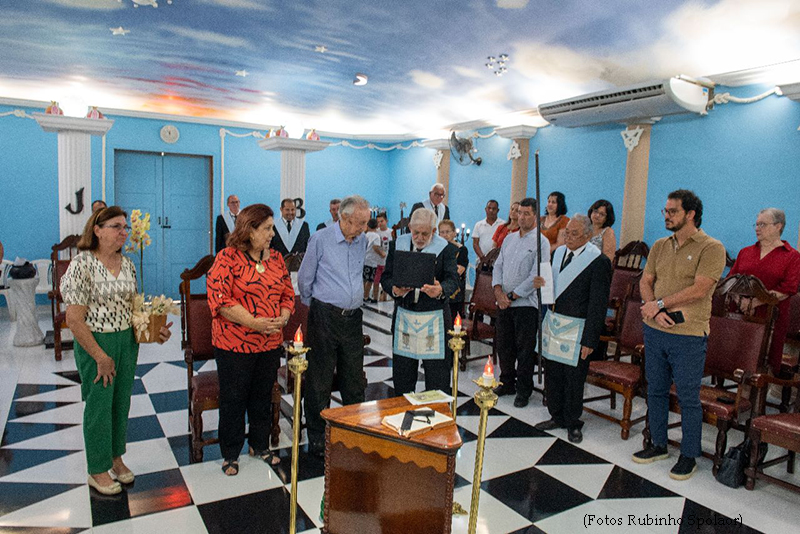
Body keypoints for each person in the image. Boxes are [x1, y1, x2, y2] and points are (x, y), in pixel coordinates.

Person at [62, 206, 172, 495]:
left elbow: (133, 309)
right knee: (99, 406)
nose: (124, 232)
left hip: (126, 341)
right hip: (96, 341)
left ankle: (116, 458)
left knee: (120, 403)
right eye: (116, 226)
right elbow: (73, 319)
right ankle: (97, 469)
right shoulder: (82, 264)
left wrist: (153, 331)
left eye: (125, 227)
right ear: (97, 230)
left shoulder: (128, 264)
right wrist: (100, 356)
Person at [633, 189, 726, 481]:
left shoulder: (711, 247)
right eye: (665, 211)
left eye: (672, 211)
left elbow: (700, 289)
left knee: (687, 396)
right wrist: (653, 310)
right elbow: (646, 280)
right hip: (656, 329)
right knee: (656, 389)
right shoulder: (661, 245)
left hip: (688, 333)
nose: (666, 216)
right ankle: (658, 444)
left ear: (690, 214)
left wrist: (659, 304)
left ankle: (689, 454)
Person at [207, 203, 295, 476]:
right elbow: (220, 301)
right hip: (234, 343)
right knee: (234, 398)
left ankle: (260, 445)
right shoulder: (227, 258)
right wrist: (254, 323)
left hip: (269, 343)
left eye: (272, 228)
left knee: (261, 396)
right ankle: (230, 453)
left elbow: (287, 294)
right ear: (250, 229)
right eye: (267, 228)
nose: (272, 233)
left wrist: (283, 317)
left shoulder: (277, 259)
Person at [298, 195, 371, 457]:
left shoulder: (361, 240)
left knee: (353, 378)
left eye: (366, 222)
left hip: (353, 317)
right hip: (325, 316)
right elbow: (305, 279)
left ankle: (353, 428)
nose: (364, 228)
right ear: (344, 218)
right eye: (359, 222)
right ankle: (317, 435)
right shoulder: (320, 239)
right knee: (320, 378)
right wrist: (318, 306)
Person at [533, 215, 612, 443]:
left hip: (577, 327)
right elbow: (552, 288)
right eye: (566, 232)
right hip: (555, 322)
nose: (568, 237)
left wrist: (589, 340)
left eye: (574, 233)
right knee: (553, 373)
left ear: (588, 236)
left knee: (574, 377)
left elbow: (598, 305)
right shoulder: (558, 253)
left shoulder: (597, 261)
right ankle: (556, 415)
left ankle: (573, 421)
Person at [381, 208, 459, 396]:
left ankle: (435, 420)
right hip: (404, 318)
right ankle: (402, 418)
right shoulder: (397, 245)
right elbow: (386, 277)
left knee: (437, 379)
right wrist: (394, 289)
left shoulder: (446, 249)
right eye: (416, 232)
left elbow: (453, 280)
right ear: (409, 228)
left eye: (425, 233)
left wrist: (440, 290)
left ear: (434, 230)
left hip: (434, 318)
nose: (420, 237)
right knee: (403, 377)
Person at [492, 198, 550, 407]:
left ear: (535, 216)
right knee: (504, 346)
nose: (522, 217)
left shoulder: (541, 242)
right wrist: (498, 290)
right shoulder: (509, 239)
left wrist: (513, 295)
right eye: (519, 212)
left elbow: (537, 275)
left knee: (524, 349)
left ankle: (523, 390)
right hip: (504, 302)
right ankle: (507, 382)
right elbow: (498, 265)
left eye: (527, 213)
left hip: (526, 304)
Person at [729, 208, 800, 372]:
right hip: (740, 314)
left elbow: (789, 288)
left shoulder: (792, 256)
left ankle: (753, 396)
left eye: (762, 224)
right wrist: (741, 301)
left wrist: (756, 302)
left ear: (778, 226)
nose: (757, 228)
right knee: (735, 363)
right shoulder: (745, 252)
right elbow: (730, 281)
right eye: (756, 224)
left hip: (771, 318)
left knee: (760, 366)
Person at [439, 219, 469, 320]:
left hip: (455, 290)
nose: (445, 235)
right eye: (442, 232)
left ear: (454, 233)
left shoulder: (461, 249)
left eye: (447, 232)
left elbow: (459, 270)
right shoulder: (437, 249)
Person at [472, 199, 503, 265]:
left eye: (494, 209)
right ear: (485, 209)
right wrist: (483, 258)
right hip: (481, 262)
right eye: (489, 208)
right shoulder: (478, 225)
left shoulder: (503, 225)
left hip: (498, 262)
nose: (491, 211)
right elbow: (475, 244)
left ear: (498, 210)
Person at [363, 219, 386, 303]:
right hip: (372, 261)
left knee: (364, 279)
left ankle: (363, 295)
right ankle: (365, 297)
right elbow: (375, 247)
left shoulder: (365, 235)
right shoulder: (376, 236)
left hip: (365, 259)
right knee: (370, 280)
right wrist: (382, 254)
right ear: (377, 226)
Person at [375, 213, 393, 301]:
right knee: (378, 278)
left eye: (382, 221)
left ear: (386, 221)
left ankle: (385, 294)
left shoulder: (391, 232)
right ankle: (377, 295)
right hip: (379, 260)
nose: (380, 223)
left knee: (387, 277)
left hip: (388, 259)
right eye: (378, 222)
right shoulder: (376, 232)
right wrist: (380, 253)